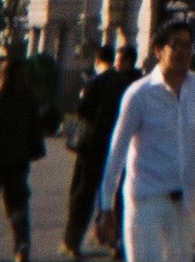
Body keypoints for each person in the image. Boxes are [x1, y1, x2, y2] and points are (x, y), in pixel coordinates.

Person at [95, 21, 195, 262]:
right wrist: (106, 205)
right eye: (176, 45)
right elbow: (118, 149)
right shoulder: (139, 94)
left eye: (188, 45)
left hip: (181, 202)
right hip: (145, 202)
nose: (183, 51)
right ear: (158, 50)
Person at [61, 44, 136, 260]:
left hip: (93, 145)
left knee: (83, 194)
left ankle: (73, 240)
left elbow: (83, 111)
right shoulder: (130, 84)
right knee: (119, 196)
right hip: (119, 146)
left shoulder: (98, 82)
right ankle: (118, 241)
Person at [0, 53, 46, 262]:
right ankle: (22, 246)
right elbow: (35, 129)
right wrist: (32, 151)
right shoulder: (29, 98)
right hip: (18, 160)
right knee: (18, 205)